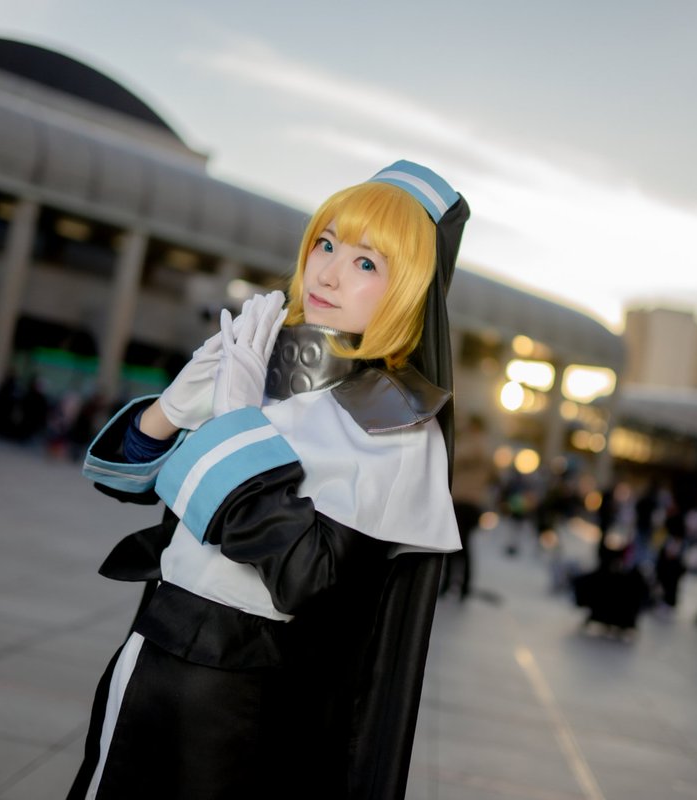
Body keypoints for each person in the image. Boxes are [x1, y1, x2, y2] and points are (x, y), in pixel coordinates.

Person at [67, 160, 469, 800]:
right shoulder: (263, 362)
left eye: (367, 262)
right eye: (326, 244)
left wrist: (236, 426)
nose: (329, 273)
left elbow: (305, 579)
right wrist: (172, 406)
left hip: (252, 696)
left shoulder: (397, 422)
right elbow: (126, 482)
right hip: (151, 647)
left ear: (410, 290)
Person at [440, 413, 492, 601]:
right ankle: (459, 585)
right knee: (461, 544)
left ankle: (455, 584)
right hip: (470, 500)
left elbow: (457, 455)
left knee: (458, 544)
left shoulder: (476, 443)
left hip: (464, 500)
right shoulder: (483, 445)